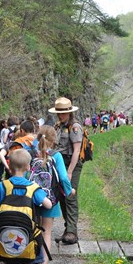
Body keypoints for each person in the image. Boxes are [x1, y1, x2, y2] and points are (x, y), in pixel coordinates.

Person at [31, 125, 75, 264]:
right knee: (46, 232)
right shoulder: (56, 156)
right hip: (51, 199)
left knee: (33, 231)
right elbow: (63, 178)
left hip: (33, 199)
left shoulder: (32, 154)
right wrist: (69, 191)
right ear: (54, 140)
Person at [48, 97, 82, 245]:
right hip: (59, 162)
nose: (60, 115)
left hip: (71, 163)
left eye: (63, 113)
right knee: (61, 196)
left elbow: (76, 151)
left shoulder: (75, 127)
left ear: (69, 112)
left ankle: (72, 232)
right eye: (59, 113)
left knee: (70, 195)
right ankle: (67, 229)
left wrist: (69, 172)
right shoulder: (59, 126)